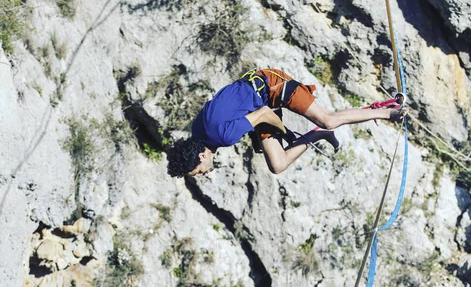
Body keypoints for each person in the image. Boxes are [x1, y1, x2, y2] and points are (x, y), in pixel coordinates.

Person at [166, 68, 405, 178]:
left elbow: (263, 114)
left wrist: (285, 132)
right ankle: (318, 134)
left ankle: (385, 112)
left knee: (329, 119)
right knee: (277, 165)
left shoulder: (223, 136)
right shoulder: (198, 132)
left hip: (270, 86)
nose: (200, 175)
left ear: (201, 157)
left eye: (196, 172)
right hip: (256, 103)